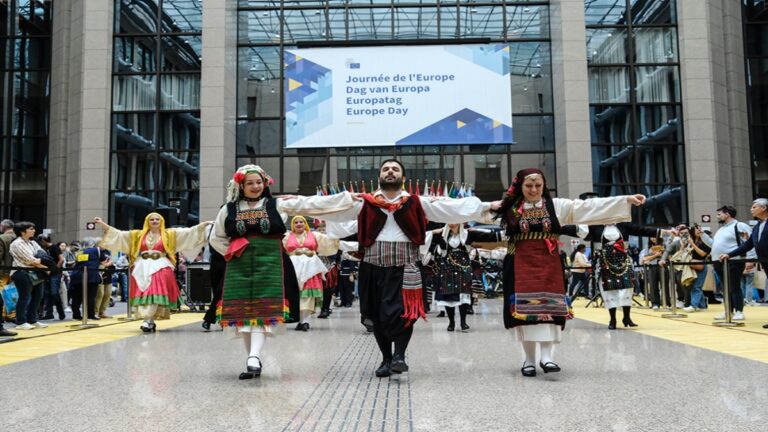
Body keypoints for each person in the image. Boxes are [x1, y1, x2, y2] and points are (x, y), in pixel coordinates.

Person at [316, 159, 496, 378]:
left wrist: (487, 207)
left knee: (405, 313)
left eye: (395, 169)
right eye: (386, 169)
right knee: (378, 315)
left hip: (406, 266)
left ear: (403, 178)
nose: (390, 171)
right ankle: (386, 359)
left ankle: (399, 356)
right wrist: (289, 204)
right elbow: (330, 208)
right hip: (372, 267)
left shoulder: (416, 202)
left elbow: (451, 208)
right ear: (379, 177)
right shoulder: (365, 203)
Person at [491, 168, 645, 377]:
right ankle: (529, 360)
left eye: (538, 185)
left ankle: (547, 357)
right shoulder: (510, 207)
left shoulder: (556, 206)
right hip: (520, 264)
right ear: (520, 186)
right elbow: (479, 211)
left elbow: (587, 207)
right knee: (525, 311)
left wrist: (624, 200)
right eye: (529, 185)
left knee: (550, 308)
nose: (534, 189)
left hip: (549, 262)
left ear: (544, 186)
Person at [209, 164, 356, 380]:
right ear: (241, 186)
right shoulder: (228, 209)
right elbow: (216, 238)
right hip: (239, 264)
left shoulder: (276, 204)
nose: (255, 186)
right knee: (244, 313)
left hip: (271, 262)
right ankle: (252, 358)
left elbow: (309, 204)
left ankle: (253, 357)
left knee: (262, 310)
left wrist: (347, 199)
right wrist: (233, 251)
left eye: (259, 182)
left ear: (265, 183)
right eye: (250, 183)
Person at [93, 213, 210, 332]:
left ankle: (147, 320)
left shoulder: (169, 234)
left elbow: (188, 232)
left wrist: (202, 225)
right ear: (147, 222)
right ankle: (150, 321)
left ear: (161, 221)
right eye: (152, 219)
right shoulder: (138, 235)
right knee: (145, 294)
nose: (154, 221)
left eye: (157, 219)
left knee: (154, 293)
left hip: (161, 267)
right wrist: (102, 224)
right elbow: (119, 234)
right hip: (142, 268)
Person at [591, 223, 669, 329]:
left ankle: (627, 317)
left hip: (623, 262)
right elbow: (578, 230)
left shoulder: (623, 226)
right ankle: (613, 320)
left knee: (627, 289)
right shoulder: (596, 227)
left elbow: (642, 230)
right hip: (605, 264)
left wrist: (665, 232)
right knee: (609, 291)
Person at [283, 215, 338, 331]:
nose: (299, 224)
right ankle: (299, 320)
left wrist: (337, 233)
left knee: (308, 295)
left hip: (311, 268)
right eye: (296, 222)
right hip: (293, 268)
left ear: (305, 224)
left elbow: (329, 242)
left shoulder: (315, 235)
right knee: (296, 295)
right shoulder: (287, 236)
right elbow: (279, 247)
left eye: (301, 222)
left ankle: (305, 321)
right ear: (292, 225)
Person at [719, 198, 768, 328]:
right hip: (764, 261)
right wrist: (729, 254)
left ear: (764, 208)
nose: (751, 209)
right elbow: (747, 245)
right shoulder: (757, 226)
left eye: (754, 207)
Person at [431, 223, 477, 332]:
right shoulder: (442, 235)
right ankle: (451, 322)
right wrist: (435, 233)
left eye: (454, 222)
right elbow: (427, 241)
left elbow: (482, 240)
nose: (452, 224)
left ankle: (463, 322)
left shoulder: (466, 234)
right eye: (450, 222)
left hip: (463, 269)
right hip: (447, 269)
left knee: (463, 296)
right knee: (448, 296)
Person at [709, 205, 751, 321]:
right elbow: (713, 244)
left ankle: (739, 311)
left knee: (734, 286)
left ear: (727, 214)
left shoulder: (740, 225)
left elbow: (750, 242)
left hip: (734, 261)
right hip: (718, 262)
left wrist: (750, 259)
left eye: (719, 214)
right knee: (725, 288)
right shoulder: (721, 229)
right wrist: (702, 235)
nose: (717, 217)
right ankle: (728, 310)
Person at [9, 221, 50, 330]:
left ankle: (32, 319)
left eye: (33, 228)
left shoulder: (32, 242)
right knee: (25, 297)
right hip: (21, 272)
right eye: (31, 229)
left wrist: (43, 262)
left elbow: (43, 254)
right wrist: (45, 267)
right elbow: (30, 260)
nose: (34, 231)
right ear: (22, 232)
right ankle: (21, 322)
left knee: (38, 296)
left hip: (35, 272)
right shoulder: (17, 243)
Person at [69, 238, 110, 321]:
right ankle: (90, 315)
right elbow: (104, 263)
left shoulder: (81, 252)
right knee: (90, 296)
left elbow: (77, 262)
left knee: (77, 297)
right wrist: (108, 263)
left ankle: (76, 315)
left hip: (77, 276)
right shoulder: (97, 250)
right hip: (91, 276)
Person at [38, 235, 65, 320]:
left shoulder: (55, 247)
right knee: (47, 293)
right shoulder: (44, 249)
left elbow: (61, 259)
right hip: (47, 273)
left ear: (43, 240)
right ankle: (49, 313)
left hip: (55, 273)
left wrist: (55, 269)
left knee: (54, 292)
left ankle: (61, 312)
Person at [0, 219, 18, 336]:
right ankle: (11, 315)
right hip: (16, 270)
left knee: (1, 293)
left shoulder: (2, 238)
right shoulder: (18, 238)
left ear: (3, 226)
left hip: (3, 271)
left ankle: (2, 316)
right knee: (12, 293)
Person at [639, 236, 665, 309]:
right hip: (652, 266)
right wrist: (655, 255)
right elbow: (644, 258)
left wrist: (652, 256)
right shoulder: (648, 247)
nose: (653, 239)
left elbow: (666, 256)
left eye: (654, 237)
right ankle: (655, 303)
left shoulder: (664, 245)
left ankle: (666, 303)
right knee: (653, 285)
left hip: (663, 266)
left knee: (664, 285)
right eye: (651, 237)